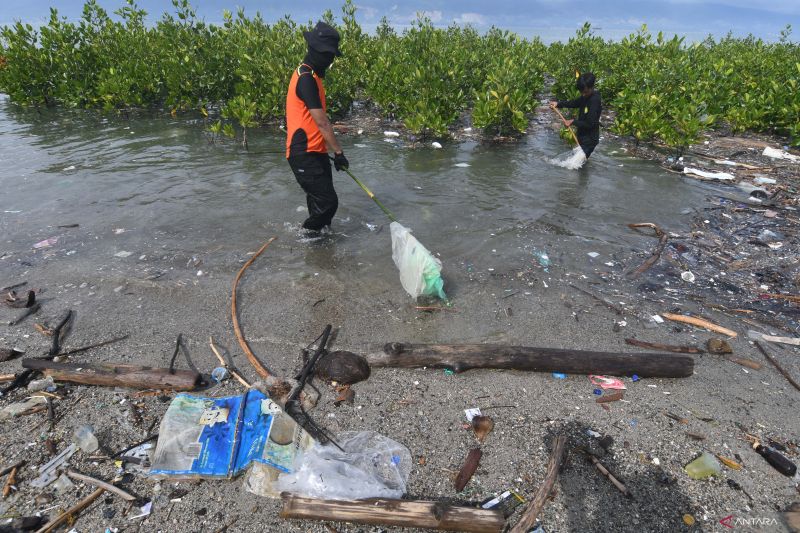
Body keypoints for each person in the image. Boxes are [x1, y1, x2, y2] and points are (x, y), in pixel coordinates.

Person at [285, 21, 349, 232]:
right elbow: (322, 122)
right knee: (329, 203)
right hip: (303, 152)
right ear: (316, 51)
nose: (331, 60)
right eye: (329, 55)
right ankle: (306, 237)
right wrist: (338, 153)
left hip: (315, 151)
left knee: (319, 204)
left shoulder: (312, 76)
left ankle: (318, 253)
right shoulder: (306, 79)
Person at [549, 72, 602, 158]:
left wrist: (573, 121)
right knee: (579, 163)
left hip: (589, 140)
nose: (583, 95)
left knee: (576, 164)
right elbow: (573, 103)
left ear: (592, 87)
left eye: (585, 92)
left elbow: (590, 123)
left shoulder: (594, 101)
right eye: (581, 92)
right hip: (582, 136)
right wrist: (558, 104)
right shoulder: (586, 96)